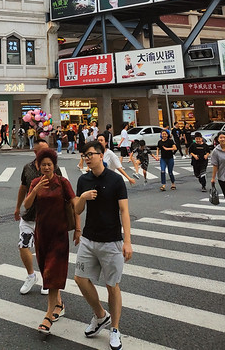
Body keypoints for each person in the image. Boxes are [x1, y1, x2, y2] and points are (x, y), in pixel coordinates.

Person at [74, 140, 132, 350]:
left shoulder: (116, 180)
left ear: (101, 154)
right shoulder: (84, 179)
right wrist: (83, 197)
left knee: (112, 286)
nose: (87, 158)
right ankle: (100, 316)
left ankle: (114, 328)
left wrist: (127, 242)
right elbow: (77, 210)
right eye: (84, 155)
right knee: (80, 279)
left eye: (90, 154)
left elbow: (124, 211)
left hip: (112, 241)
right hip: (89, 239)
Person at [23, 148, 80, 334]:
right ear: (39, 166)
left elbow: (75, 204)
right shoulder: (35, 182)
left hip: (59, 234)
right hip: (42, 234)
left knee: (51, 272)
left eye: (50, 164)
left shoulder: (62, 182)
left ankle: (48, 316)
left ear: (54, 166)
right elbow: (27, 205)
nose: (46, 167)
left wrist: (78, 229)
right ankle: (59, 305)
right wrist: (36, 189)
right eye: (43, 164)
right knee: (47, 271)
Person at [14, 137, 62, 296]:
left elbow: (63, 191)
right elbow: (23, 188)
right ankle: (31, 275)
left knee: (47, 251)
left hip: (48, 218)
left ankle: (46, 279)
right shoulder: (27, 168)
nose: (49, 152)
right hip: (29, 215)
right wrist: (17, 207)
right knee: (23, 245)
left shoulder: (54, 168)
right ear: (36, 152)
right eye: (44, 150)